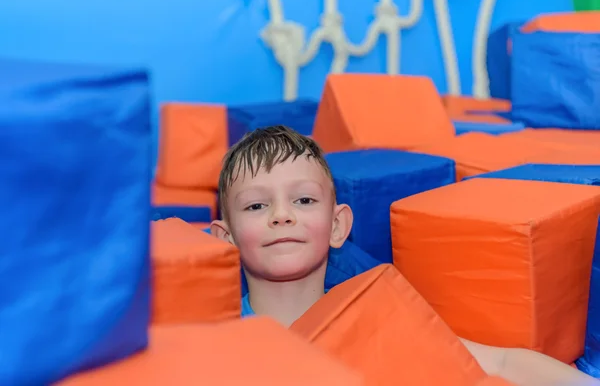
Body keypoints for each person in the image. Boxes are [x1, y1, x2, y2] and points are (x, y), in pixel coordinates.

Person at [210, 125, 598, 385]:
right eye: (256, 206)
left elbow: (500, 363)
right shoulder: (223, 342)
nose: (282, 215)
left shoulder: (376, 312)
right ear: (225, 239)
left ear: (337, 226)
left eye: (304, 200)